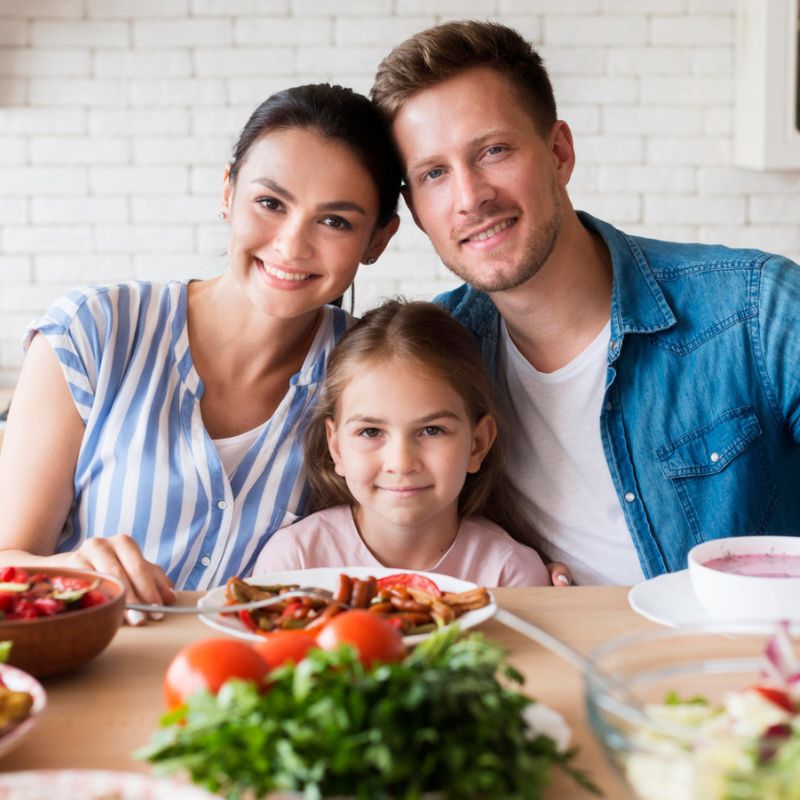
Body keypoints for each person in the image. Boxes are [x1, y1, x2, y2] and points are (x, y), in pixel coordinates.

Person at [370, 21, 800, 585]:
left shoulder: (753, 307)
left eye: (494, 151)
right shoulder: (436, 355)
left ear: (559, 153)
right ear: (415, 210)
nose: (470, 197)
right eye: (434, 174)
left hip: (742, 662)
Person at [0, 84, 401, 615]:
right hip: (86, 673)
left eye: (335, 221)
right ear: (227, 194)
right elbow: (8, 561)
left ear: (377, 239)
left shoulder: (371, 373)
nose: (291, 245)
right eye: (270, 203)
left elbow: (424, 530)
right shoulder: (93, 332)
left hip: (255, 687)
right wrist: (72, 568)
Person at [254, 300, 550, 587]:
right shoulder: (294, 562)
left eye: (432, 430)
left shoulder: (511, 574)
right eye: (371, 432)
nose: (402, 463)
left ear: (478, 444)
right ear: (336, 447)